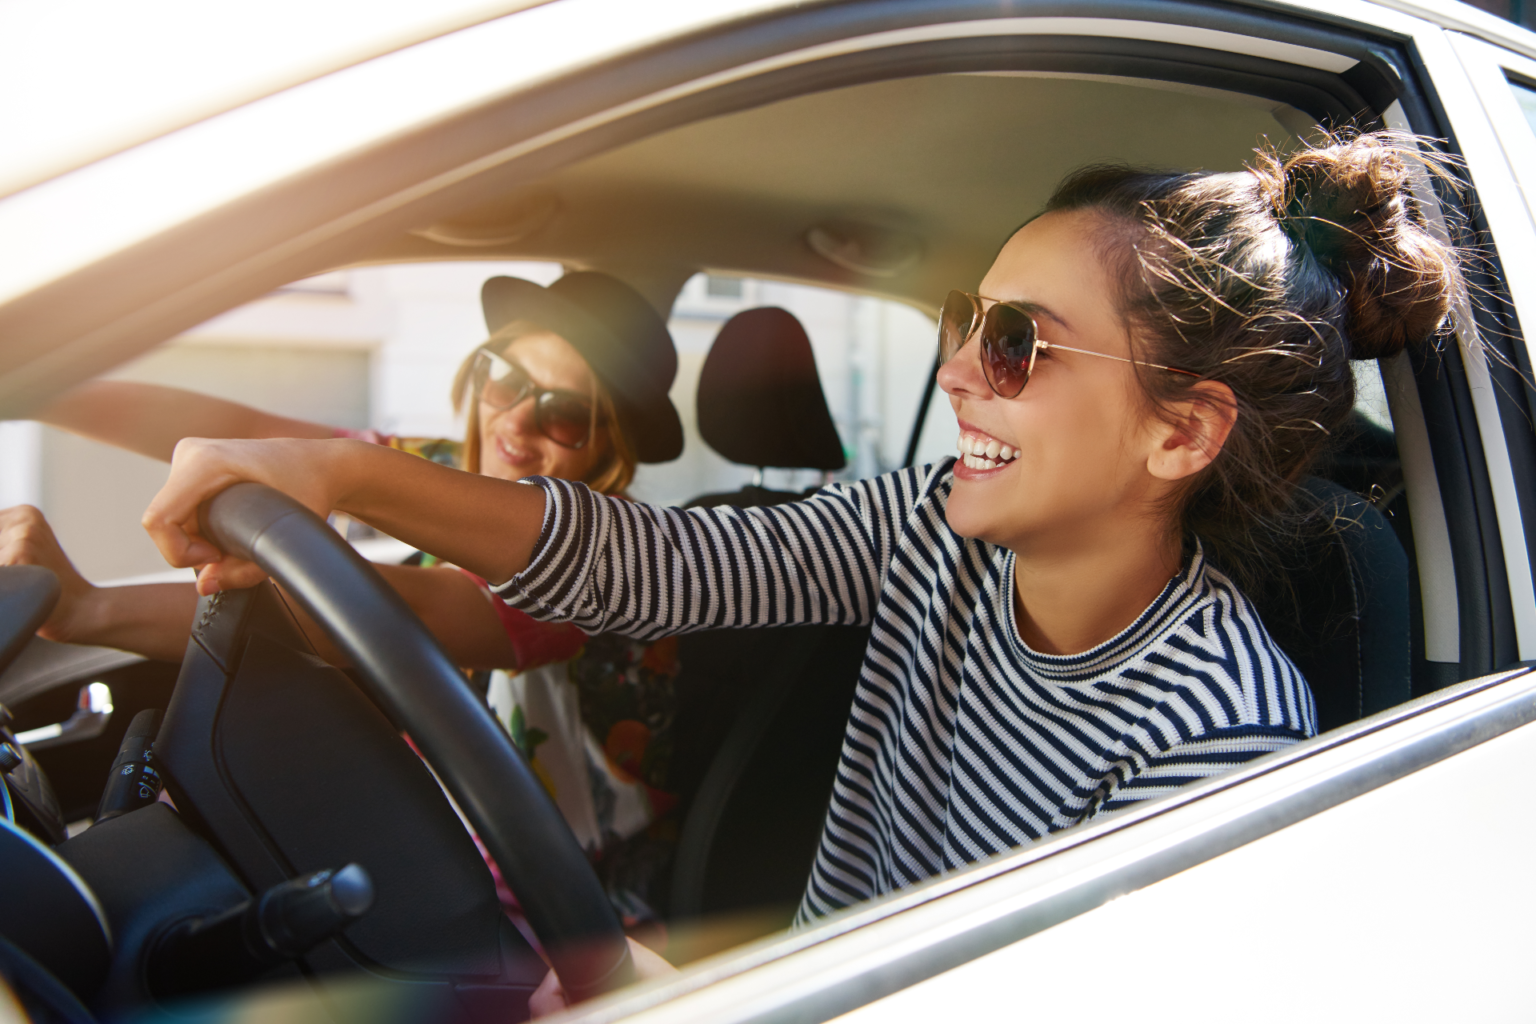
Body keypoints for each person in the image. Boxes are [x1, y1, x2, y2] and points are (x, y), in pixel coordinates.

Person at [139, 131, 1460, 969]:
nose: (955, 374)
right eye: (963, 320)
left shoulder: (1222, 740)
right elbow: (652, 567)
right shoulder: (928, 528)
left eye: (1015, 343)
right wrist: (325, 470)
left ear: (1179, 431)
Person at [4, 272, 689, 921]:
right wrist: (48, 387)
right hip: (437, 843)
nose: (515, 423)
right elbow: (253, 436)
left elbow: (402, 614)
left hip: (563, 907)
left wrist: (90, 607)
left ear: (608, 448)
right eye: (505, 379)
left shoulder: (607, 560)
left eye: (564, 413)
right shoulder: (445, 466)